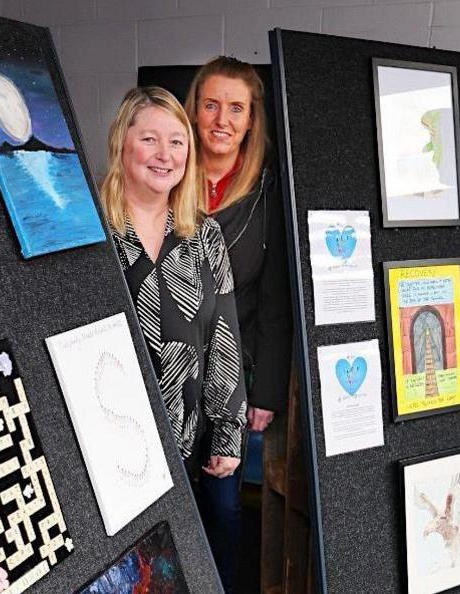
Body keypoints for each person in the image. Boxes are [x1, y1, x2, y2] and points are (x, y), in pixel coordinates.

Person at [98, 86, 248, 559]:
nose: (165, 155)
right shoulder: (92, 232)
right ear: (123, 144)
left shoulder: (204, 235)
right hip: (113, 446)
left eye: (177, 142)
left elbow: (224, 334)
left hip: (191, 438)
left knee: (201, 553)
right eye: (149, 140)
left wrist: (228, 430)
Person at [184, 56, 293, 593]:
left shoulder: (268, 193)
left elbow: (276, 301)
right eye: (210, 105)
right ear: (194, 110)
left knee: (224, 509)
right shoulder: (167, 173)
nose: (221, 119)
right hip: (164, 371)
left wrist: (265, 389)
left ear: (252, 120)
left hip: (232, 375)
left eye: (235, 108)